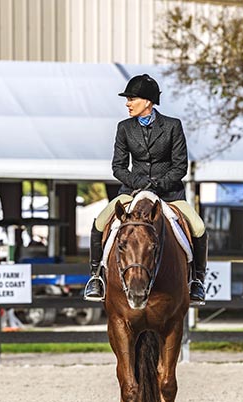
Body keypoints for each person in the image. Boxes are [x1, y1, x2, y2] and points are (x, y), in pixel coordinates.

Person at [84, 73, 208, 303]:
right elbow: (118, 167)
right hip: (132, 193)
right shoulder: (124, 128)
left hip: (169, 195)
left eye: (132, 99)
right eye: (128, 99)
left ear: (148, 102)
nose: (127, 103)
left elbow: (180, 166)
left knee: (199, 227)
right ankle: (96, 278)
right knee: (100, 223)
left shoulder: (172, 126)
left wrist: (158, 185)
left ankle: (197, 281)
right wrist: (139, 184)